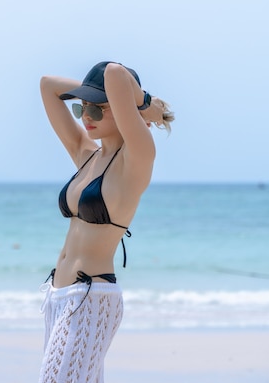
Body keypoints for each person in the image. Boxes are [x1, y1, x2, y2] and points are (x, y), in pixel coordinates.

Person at [38, 61, 174, 383]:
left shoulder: (137, 158)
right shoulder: (87, 155)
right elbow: (47, 86)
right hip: (57, 297)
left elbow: (114, 73)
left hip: (90, 299)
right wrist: (100, 95)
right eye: (82, 107)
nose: (87, 117)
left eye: (98, 109)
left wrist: (144, 105)